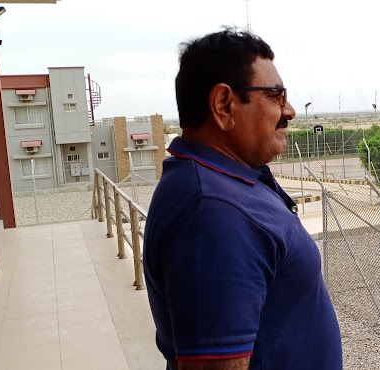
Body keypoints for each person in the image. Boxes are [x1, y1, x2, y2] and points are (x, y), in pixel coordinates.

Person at [143, 27, 343, 370]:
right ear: (224, 105)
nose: (290, 111)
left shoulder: (223, 183)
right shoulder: (212, 212)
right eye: (276, 96)